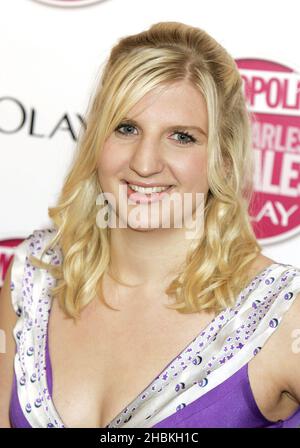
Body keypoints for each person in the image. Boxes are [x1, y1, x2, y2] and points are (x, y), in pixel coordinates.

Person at [1, 21, 300, 429]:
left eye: (181, 137)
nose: (144, 163)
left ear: (224, 159)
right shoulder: (35, 273)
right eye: (126, 128)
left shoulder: (283, 313)